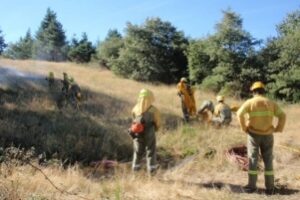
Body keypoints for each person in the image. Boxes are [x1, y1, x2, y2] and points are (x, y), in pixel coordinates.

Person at [237, 81, 286, 195]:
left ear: (253, 92)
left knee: (253, 159)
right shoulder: (271, 103)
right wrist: (278, 128)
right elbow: (283, 115)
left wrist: (244, 128)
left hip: (253, 135)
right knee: (268, 160)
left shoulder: (250, 102)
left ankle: (251, 186)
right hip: (268, 135)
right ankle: (270, 188)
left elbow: (239, 114)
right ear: (263, 91)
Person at [131, 89, 161, 174]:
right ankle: (152, 172)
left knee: (137, 151)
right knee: (151, 151)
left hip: (137, 132)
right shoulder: (154, 110)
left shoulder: (135, 108)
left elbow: (133, 119)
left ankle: (135, 171)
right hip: (149, 132)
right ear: (151, 97)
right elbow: (158, 123)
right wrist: (156, 129)